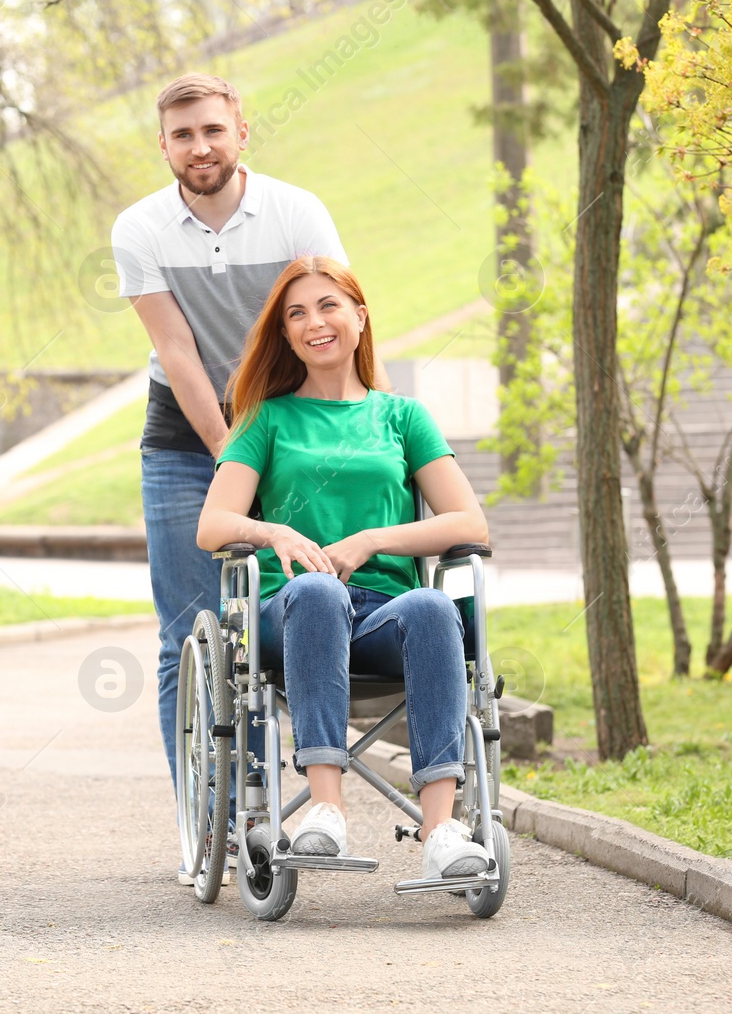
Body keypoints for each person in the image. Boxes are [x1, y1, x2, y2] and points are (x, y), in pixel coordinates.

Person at [112, 74, 375, 884]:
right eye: (183, 136)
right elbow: (179, 354)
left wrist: (337, 434)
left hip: (289, 427)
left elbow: (332, 321)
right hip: (188, 437)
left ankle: (283, 798)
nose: (201, 148)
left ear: (242, 133)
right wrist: (236, 457)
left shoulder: (299, 213)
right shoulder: (140, 228)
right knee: (185, 631)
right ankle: (208, 813)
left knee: (291, 606)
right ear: (164, 147)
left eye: (213, 131)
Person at [195, 255, 493, 881]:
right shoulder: (267, 418)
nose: (314, 322)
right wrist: (273, 529)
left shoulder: (401, 417)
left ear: (359, 316)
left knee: (435, 605)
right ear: (284, 335)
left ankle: (442, 828)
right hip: (292, 610)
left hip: (383, 612)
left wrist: (370, 540)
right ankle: (325, 810)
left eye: (328, 306)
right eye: (295, 314)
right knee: (318, 594)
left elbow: (469, 523)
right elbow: (213, 526)